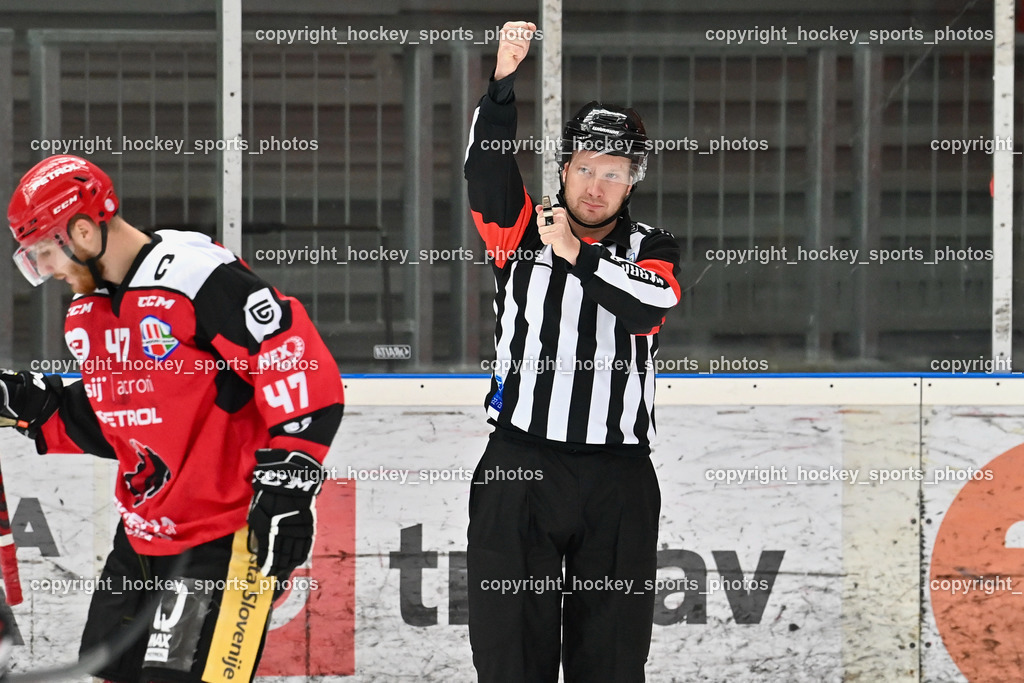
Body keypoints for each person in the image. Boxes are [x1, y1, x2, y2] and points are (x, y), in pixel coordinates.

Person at [1, 154, 344, 683]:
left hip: (223, 541)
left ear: (84, 230)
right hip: (141, 539)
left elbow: (292, 357)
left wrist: (291, 485)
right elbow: (120, 420)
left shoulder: (192, 274)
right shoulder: (87, 314)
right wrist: (30, 406)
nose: (44, 270)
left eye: (45, 251)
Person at [463, 20, 682, 683]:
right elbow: (485, 166)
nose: (595, 185)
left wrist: (580, 257)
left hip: (616, 479)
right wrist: (501, 87)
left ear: (632, 181)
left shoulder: (654, 247)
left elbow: (651, 305)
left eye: (613, 172)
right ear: (563, 166)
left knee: (611, 660)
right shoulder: (518, 229)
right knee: (510, 655)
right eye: (585, 167)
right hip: (520, 466)